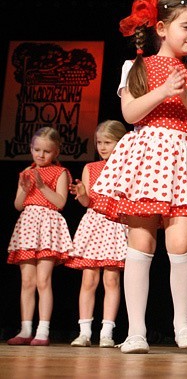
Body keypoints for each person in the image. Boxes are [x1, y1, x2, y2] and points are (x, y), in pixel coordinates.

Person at [89, 0, 187, 354]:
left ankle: (183, 326)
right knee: (141, 242)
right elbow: (130, 114)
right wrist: (163, 91)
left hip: (183, 158)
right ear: (161, 28)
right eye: (186, 27)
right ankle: (135, 331)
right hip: (146, 157)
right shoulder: (137, 67)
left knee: (181, 242)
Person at [6, 127, 72, 346]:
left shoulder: (60, 172)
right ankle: (25, 329)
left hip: (48, 226)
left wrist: (42, 186)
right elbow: (17, 205)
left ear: (56, 152)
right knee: (27, 281)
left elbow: (61, 202)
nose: (41, 155)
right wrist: (25, 189)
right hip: (28, 225)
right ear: (31, 148)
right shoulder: (26, 172)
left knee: (43, 280)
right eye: (37, 150)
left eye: (46, 151)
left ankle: (43, 329)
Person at [66, 120, 129, 348]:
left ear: (120, 143)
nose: (102, 147)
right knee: (89, 279)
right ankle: (84, 332)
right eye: (99, 142)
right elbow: (86, 202)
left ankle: (106, 332)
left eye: (107, 142)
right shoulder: (90, 168)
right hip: (94, 225)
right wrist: (82, 193)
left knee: (111, 279)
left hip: (115, 224)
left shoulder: (126, 166)